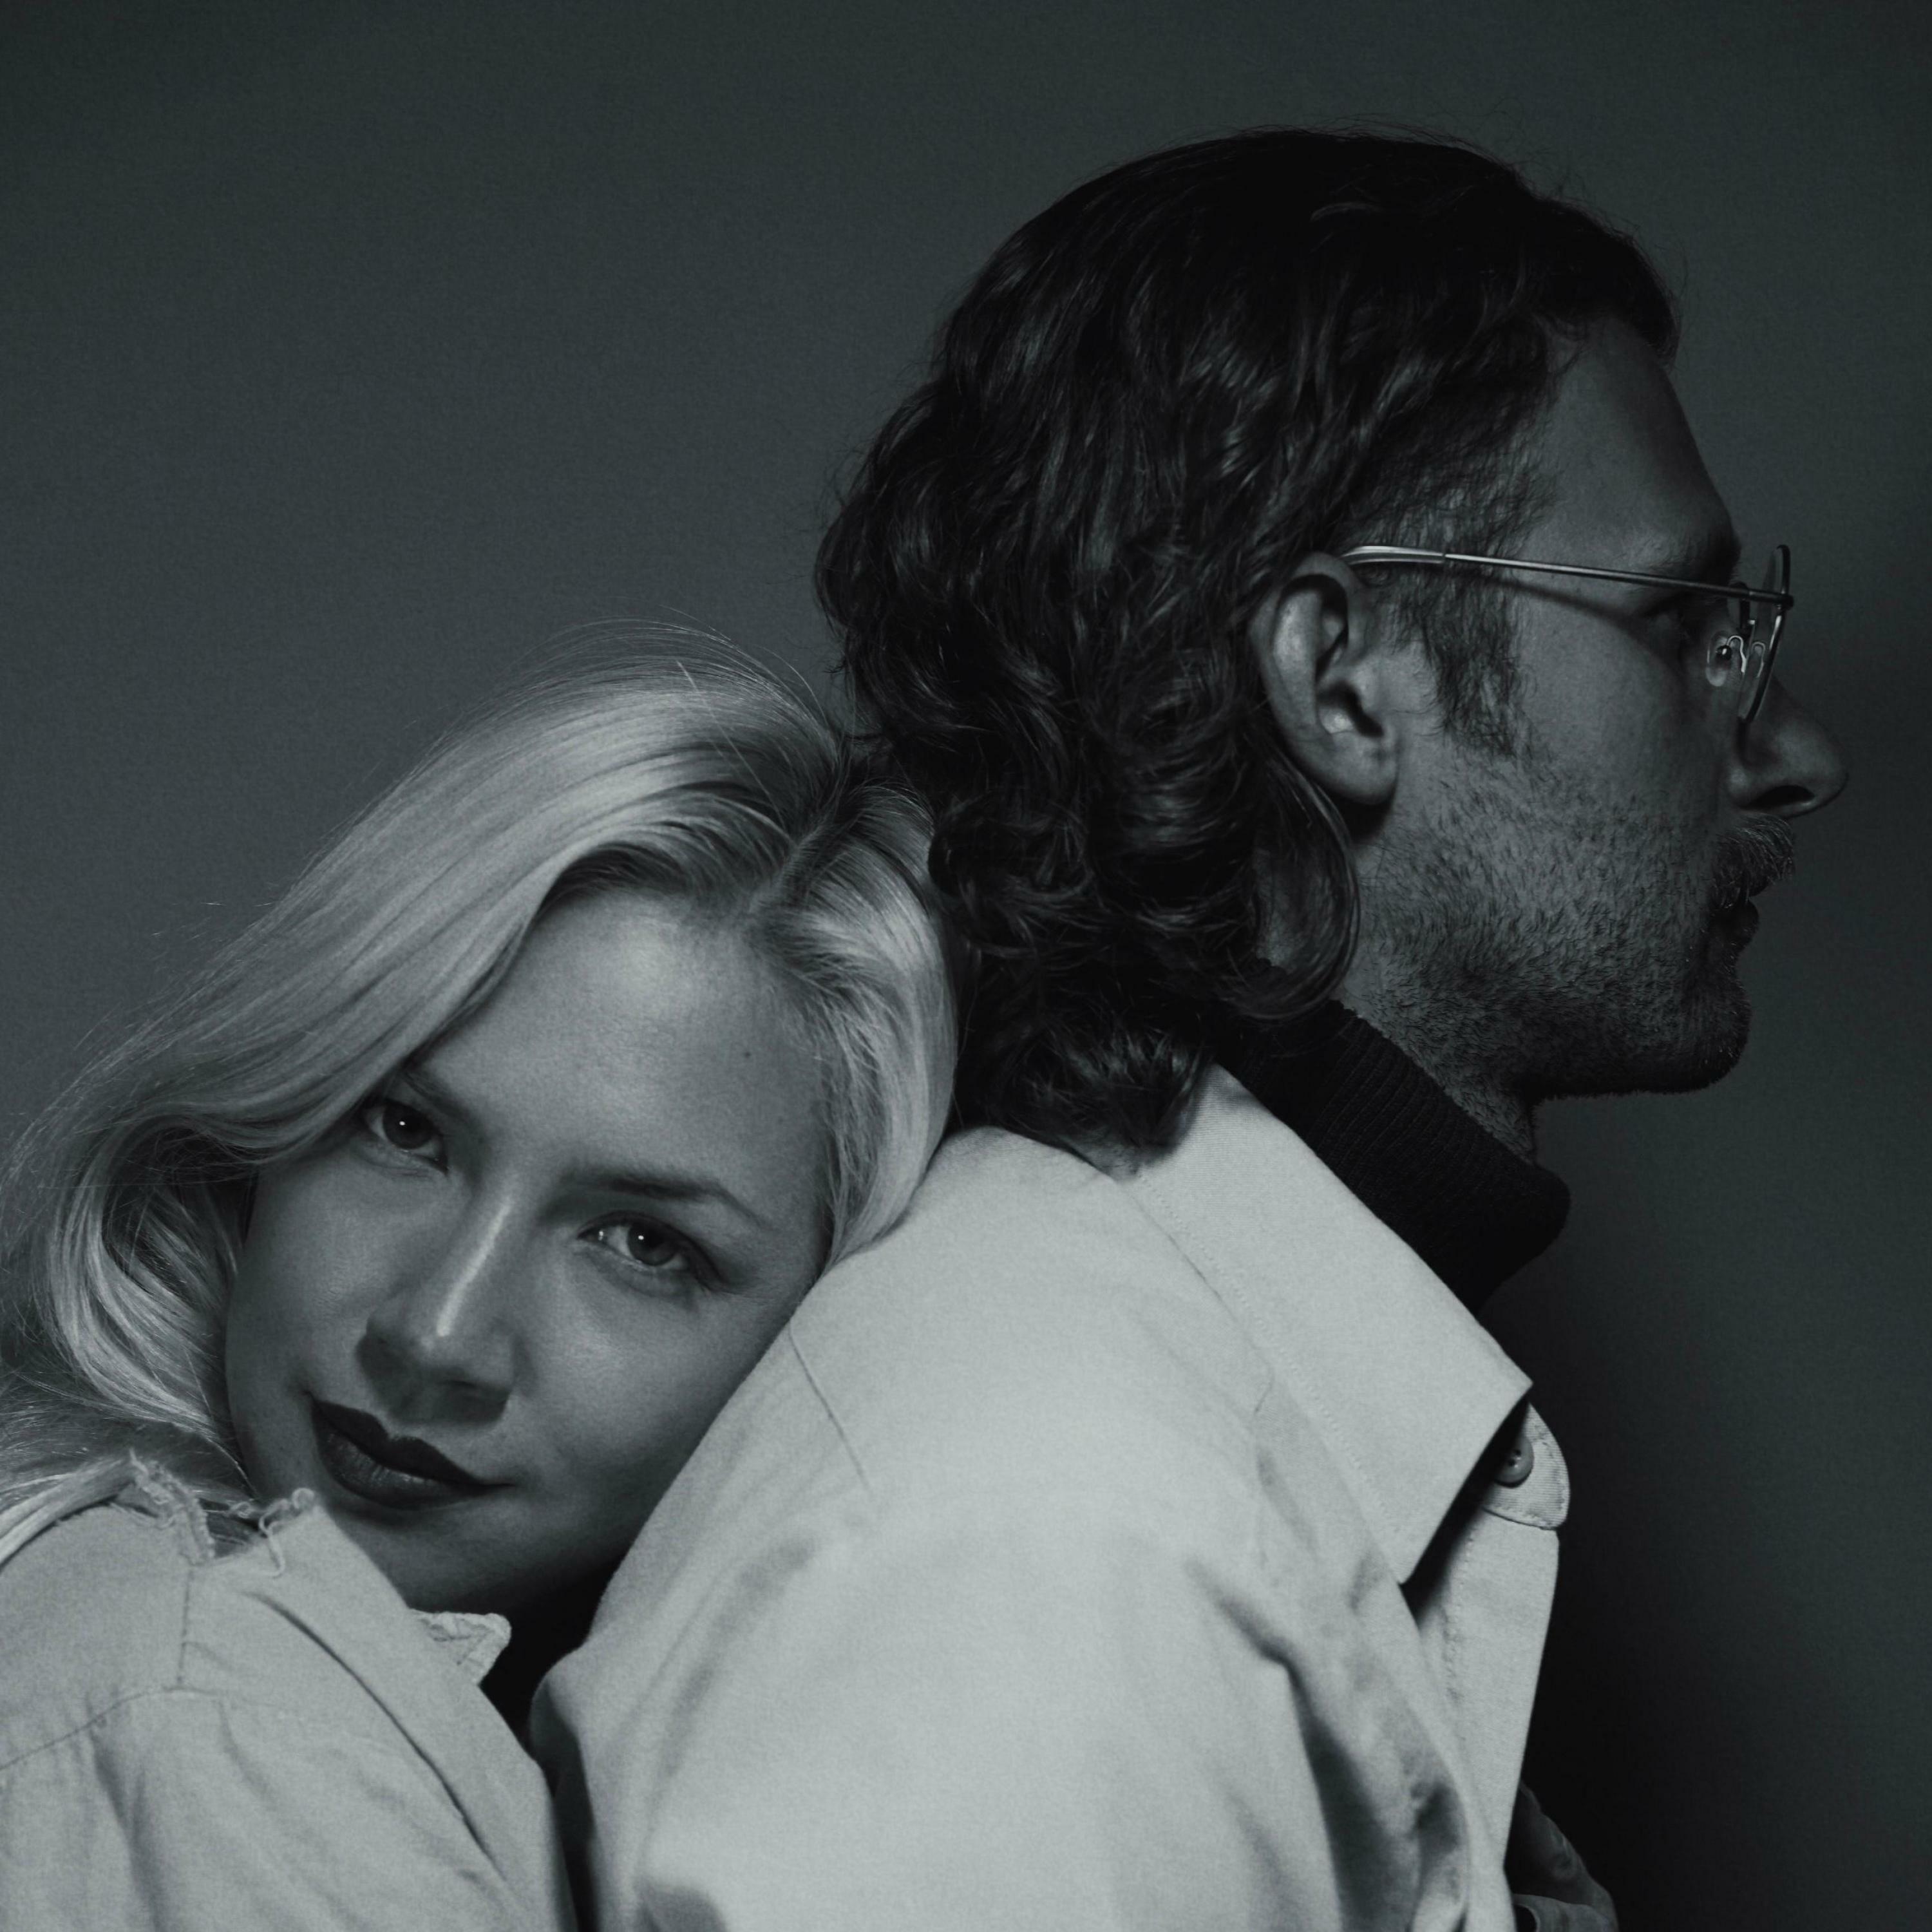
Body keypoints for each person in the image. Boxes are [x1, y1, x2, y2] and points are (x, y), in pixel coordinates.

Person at [536, 131, 1849, 1932]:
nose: (1792, 753)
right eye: (1680, 622)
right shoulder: (1062, 1538)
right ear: (1340, 681)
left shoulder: (1130, 1453)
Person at [0, 645, 954, 1929]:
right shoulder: (231, 1731)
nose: (437, 1334)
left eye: (642, 1244)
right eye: (403, 1131)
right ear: (273, 1113)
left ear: (808, 1339)